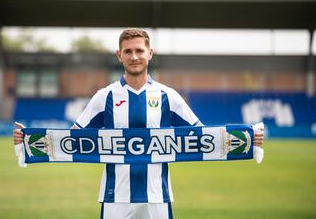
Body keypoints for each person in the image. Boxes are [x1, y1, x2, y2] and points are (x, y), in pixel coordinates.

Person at [14, 28, 264, 219]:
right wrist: (28, 142)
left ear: (150, 53)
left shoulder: (169, 96)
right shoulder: (105, 97)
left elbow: (201, 137)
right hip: (115, 197)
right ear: (119, 55)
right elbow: (71, 140)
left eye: (139, 51)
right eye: (128, 51)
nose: (134, 56)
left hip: (158, 196)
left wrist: (247, 139)